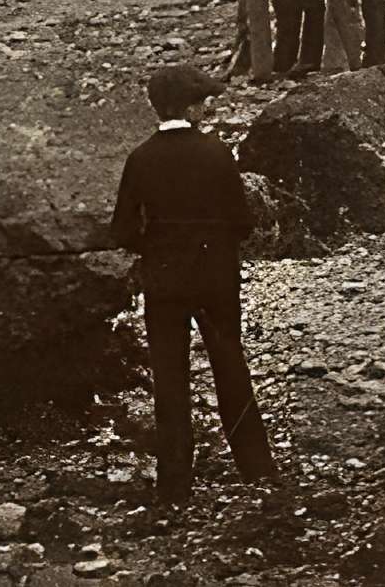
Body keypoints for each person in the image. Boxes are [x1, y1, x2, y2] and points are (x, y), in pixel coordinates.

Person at [106, 65, 276, 511]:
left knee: (170, 378)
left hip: (164, 278)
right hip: (215, 276)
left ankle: (175, 486)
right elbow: (242, 222)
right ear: (193, 107)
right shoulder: (217, 153)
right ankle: (257, 470)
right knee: (230, 367)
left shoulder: (140, 159)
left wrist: (156, 243)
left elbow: (121, 231)